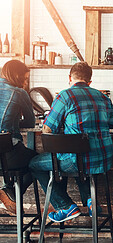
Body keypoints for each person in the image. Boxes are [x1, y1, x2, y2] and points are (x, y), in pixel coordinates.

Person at [29, 62, 113, 223]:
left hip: (77, 161)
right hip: (103, 159)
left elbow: (47, 128)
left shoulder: (65, 96)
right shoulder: (102, 96)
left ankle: (65, 206)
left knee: (34, 164)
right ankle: (91, 201)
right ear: (90, 81)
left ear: (69, 77)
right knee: (81, 161)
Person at [0, 60, 37, 215]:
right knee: (40, 163)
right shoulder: (18, 93)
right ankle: (8, 191)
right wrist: (15, 121)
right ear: (17, 75)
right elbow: (30, 122)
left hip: (4, 158)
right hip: (8, 154)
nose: (26, 81)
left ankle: (9, 194)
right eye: (25, 77)